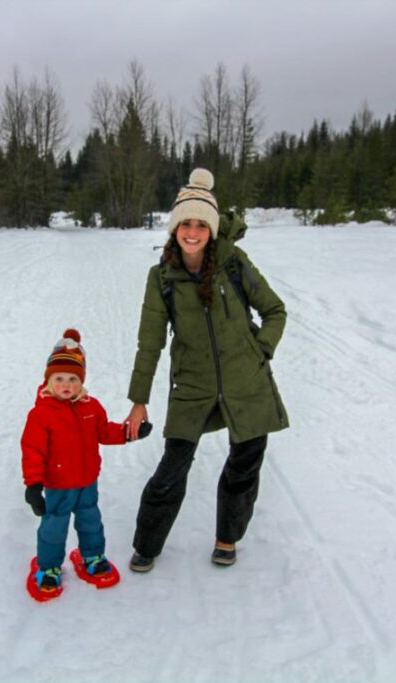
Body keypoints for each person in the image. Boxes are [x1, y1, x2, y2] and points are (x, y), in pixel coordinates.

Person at [124, 168, 288, 572]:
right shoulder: (161, 277)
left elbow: (275, 311)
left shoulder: (232, 263)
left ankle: (226, 538)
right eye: (186, 224)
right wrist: (138, 402)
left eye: (201, 224)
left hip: (245, 381)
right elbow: (151, 343)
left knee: (245, 463)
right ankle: (147, 545)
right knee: (172, 467)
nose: (193, 232)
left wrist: (259, 351)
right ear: (175, 227)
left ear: (212, 228)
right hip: (192, 385)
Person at [21, 328, 151, 600]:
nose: (66, 384)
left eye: (72, 379)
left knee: (91, 521)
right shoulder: (41, 415)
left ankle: (92, 557)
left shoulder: (91, 407)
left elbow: (104, 432)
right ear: (48, 381)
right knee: (54, 527)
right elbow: (32, 450)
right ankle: (49, 567)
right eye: (59, 379)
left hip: (87, 481)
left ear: (81, 381)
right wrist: (33, 485)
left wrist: (130, 432)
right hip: (57, 486)